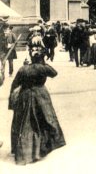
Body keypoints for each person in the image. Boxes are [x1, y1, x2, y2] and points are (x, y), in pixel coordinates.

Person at [9, 36, 66, 165]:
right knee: (43, 121)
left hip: (25, 96)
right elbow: (54, 73)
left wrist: (12, 102)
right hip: (41, 95)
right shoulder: (43, 68)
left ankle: (25, 151)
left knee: (25, 124)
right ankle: (41, 149)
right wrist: (43, 62)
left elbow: (15, 84)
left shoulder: (23, 69)